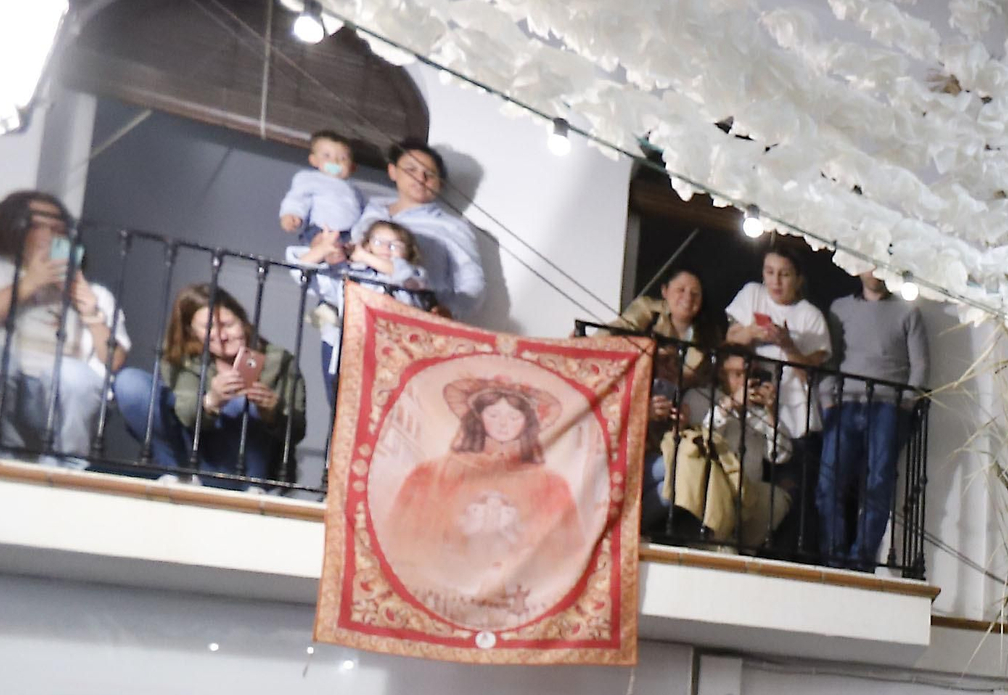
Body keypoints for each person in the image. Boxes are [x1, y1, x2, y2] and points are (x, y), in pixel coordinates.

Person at [380, 376, 586, 629]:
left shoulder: (553, 486)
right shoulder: (433, 474)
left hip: (520, 605)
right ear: (478, 417)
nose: (503, 424)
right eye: (494, 415)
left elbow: (566, 561)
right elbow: (404, 547)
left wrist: (517, 538)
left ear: (528, 422)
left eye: (513, 417)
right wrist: (460, 532)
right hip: (445, 595)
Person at [111, 285, 306, 488]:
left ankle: (249, 486)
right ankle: (177, 474)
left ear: (242, 320)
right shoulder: (183, 361)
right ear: (193, 333)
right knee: (129, 382)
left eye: (228, 324)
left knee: (242, 404)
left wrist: (273, 412)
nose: (222, 336)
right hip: (192, 461)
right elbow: (184, 414)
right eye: (208, 328)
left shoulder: (278, 360)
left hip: (246, 466)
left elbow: (297, 431)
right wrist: (212, 400)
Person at [0, 191, 128, 462]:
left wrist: (92, 314)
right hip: (0, 386)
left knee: (77, 376)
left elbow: (115, 360)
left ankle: (66, 467)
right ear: (13, 229)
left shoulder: (94, 294)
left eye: (59, 228)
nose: (51, 235)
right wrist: (29, 284)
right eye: (38, 225)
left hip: (56, 394)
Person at [817, 271, 928, 569]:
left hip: (887, 408)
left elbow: (919, 365)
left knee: (878, 484)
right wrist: (827, 399)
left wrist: (904, 405)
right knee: (830, 482)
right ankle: (834, 556)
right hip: (845, 404)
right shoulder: (840, 308)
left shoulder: (908, 310)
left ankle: (862, 559)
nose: (874, 272)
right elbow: (830, 358)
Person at [612, 265, 720, 531]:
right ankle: (621, 527)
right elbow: (612, 337)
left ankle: (630, 528)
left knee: (678, 479)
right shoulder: (648, 313)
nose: (688, 297)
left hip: (666, 435)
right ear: (664, 291)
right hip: (633, 435)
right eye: (680, 289)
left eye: (696, 293)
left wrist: (682, 419)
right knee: (673, 470)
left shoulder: (707, 337)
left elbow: (704, 389)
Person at [658, 349, 793, 547]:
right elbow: (701, 436)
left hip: (748, 491)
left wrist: (771, 413)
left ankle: (744, 549)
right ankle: (722, 546)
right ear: (721, 373)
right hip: (715, 486)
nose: (746, 380)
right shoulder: (700, 396)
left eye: (751, 373)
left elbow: (780, 455)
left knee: (777, 499)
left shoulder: (759, 410)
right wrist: (730, 406)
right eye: (738, 374)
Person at [292, 219, 429, 404]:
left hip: (395, 360)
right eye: (378, 242)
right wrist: (324, 249)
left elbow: (404, 275)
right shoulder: (353, 277)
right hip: (353, 359)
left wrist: (363, 256)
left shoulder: (414, 277)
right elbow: (300, 272)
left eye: (395, 245)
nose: (386, 249)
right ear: (367, 244)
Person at [351, 137, 484, 321]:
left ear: (440, 183)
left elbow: (472, 281)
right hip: (350, 321)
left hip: (411, 325)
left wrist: (449, 312)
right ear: (393, 171)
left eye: (429, 174)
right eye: (411, 169)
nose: (420, 178)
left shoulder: (453, 226)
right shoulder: (367, 211)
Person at [725, 245, 830, 440]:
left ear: (798, 280)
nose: (775, 281)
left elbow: (810, 375)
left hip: (794, 413)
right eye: (770, 272)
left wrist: (787, 345)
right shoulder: (752, 293)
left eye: (785, 274)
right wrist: (750, 332)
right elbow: (730, 339)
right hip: (754, 406)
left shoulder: (811, 315)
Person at [277, 129, 365, 245]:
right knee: (321, 246)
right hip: (321, 228)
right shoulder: (311, 179)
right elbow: (298, 197)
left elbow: (361, 210)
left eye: (343, 158)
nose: (335, 161)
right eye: (327, 156)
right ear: (314, 160)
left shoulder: (354, 190)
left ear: (352, 167)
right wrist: (292, 213)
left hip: (347, 233)